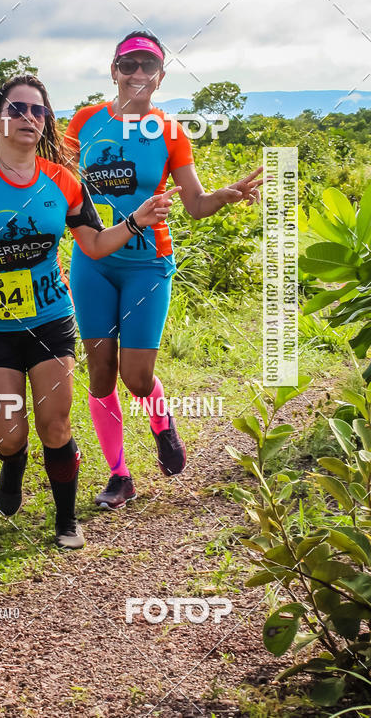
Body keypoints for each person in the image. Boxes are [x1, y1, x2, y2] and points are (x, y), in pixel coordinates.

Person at [0, 74, 179, 547]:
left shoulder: (63, 180)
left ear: (46, 121)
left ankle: (66, 521)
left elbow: (95, 244)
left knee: (55, 425)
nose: (28, 117)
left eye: (38, 110)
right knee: (8, 437)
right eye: (16, 109)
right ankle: (13, 462)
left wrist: (136, 220)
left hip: (50, 319)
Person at [64, 32, 263, 510]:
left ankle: (161, 422)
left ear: (160, 76)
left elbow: (195, 204)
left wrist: (224, 196)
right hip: (92, 262)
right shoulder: (85, 122)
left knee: (136, 377)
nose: (137, 73)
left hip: (148, 264)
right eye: (128, 64)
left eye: (147, 66)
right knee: (100, 374)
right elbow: (59, 187)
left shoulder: (170, 132)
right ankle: (119, 476)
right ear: (113, 70)